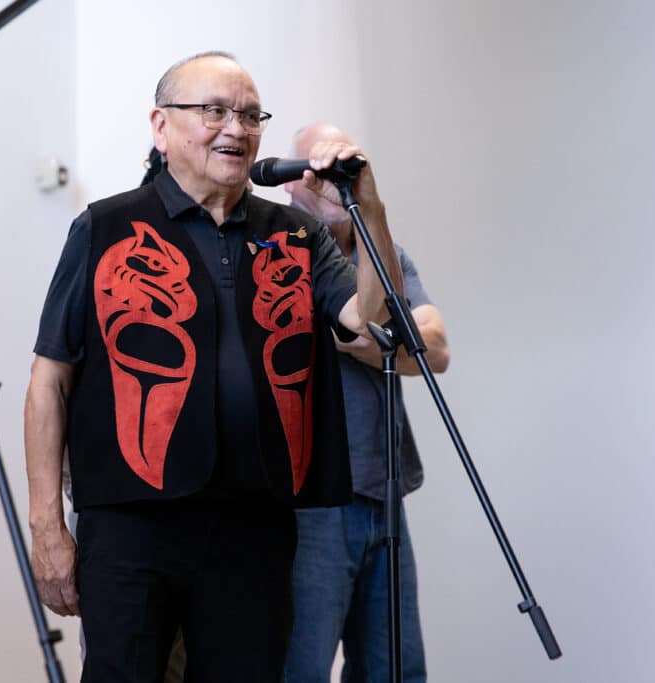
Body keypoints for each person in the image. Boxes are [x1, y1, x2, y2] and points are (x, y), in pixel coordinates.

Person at [24, 52, 403, 682]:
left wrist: (372, 211)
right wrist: (46, 527)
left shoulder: (295, 234)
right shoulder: (106, 226)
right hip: (129, 524)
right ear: (161, 125)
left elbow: (370, 322)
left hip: (255, 524)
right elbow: (49, 382)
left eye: (251, 115)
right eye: (214, 111)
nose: (235, 128)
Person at [282, 123, 450, 683]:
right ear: (289, 181)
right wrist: (385, 330)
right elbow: (359, 332)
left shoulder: (386, 253)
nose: (330, 183)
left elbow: (438, 347)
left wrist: (380, 332)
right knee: (301, 668)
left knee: (396, 670)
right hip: (311, 505)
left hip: (384, 492)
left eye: (340, 170)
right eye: (317, 170)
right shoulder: (282, 248)